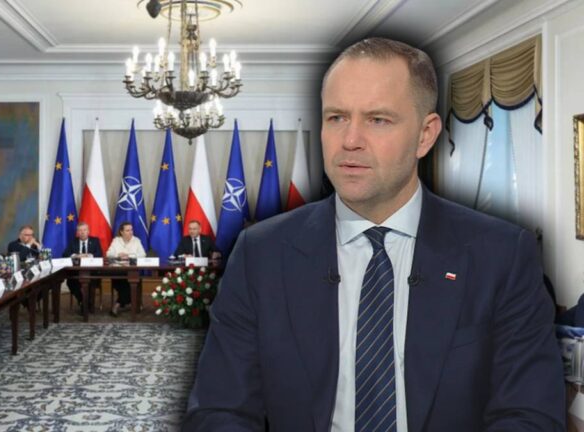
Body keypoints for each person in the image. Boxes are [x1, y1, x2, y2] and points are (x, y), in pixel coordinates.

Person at [183, 38, 564, 431]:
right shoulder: (260, 253)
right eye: (336, 117)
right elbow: (218, 410)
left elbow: (530, 414)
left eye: (378, 120)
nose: (350, 140)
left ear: (425, 135)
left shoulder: (501, 255)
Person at [106, 222, 146, 316]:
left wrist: (130, 256)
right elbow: (108, 254)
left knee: (131, 280)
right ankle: (131, 301)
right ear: (121, 232)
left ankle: (118, 304)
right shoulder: (116, 241)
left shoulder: (136, 240)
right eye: (127, 230)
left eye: (131, 230)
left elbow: (143, 254)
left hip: (132, 270)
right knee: (124, 281)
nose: (130, 232)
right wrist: (118, 255)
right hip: (118, 270)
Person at [62, 222, 102, 312]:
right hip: (76, 272)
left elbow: (99, 254)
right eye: (80, 230)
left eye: (84, 230)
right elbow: (65, 254)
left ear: (88, 231)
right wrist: (76, 255)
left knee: (91, 282)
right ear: (77, 232)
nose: (82, 232)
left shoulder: (95, 241)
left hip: (92, 272)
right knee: (71, 282)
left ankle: (87, 304)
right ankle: (83, 301)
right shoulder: (73, 242)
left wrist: (88, 255)